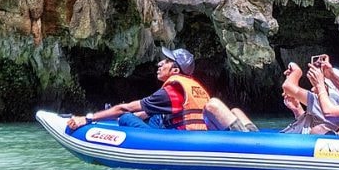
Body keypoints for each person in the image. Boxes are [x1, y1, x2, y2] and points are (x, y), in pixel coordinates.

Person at [66, 49, 256, 132]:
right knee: (154, 117)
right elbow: (144, 113)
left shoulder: (172, 90)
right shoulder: (193, 86)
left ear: (174, 70)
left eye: (165, 61)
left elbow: (126, 109)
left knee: (125, 117)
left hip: (186, 138)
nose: (160, 63)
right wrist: (105, 117)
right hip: (194, 130)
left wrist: (88, 119)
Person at [280, 56, 339, 134]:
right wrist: (297, 109)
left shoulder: (325, 101)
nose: (312, 89)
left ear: (325, 86)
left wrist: (296, 72)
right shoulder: (335, 105)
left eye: (315, 83)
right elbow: (314, 122)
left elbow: (287, 86)